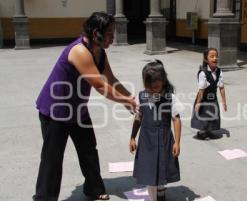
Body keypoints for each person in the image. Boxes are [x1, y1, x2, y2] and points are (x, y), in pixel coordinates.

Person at [33, 12, 136, 201]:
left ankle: (94, 188)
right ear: (96, 32)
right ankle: (43, 198)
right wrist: (126, 101)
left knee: (88, 149)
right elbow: (100, 85)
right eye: (110, 33)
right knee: (52, 158)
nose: (113, 37)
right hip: (56, 110)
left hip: (78, 109)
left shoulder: (99, 52)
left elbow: (110, 79)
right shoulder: (79, 50)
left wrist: (130, 99)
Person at [129, 60, 184, 201]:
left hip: (164, 139)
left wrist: (177, 142)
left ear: (163, 82)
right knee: (149, 172)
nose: (152, 90)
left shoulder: (170, 98)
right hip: (147, 141)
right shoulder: (141, 97)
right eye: (149, 87)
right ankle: (154, 198)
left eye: (156, 87)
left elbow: (176, 119)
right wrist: (132, 137)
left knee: (162, 168)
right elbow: (138, 118)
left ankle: (161, 190)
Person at [191, 48, 227, 139]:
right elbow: (201, 90)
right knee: (203, 114)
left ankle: (209, 131)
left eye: (216, 56)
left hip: (213, 98)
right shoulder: (203, 73)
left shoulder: (219, 71)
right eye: (212, 56)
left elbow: (221, 87)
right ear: (206, 59)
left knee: (212, 114)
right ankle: (202, 132)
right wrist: (198, 103)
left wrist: (224, 102)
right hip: (203, 98)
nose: (215, 58)